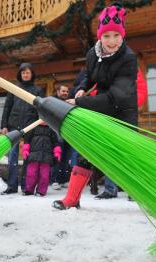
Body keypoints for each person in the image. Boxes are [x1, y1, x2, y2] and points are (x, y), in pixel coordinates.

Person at [52, 3, 138, 209]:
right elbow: (89, 77)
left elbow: (116, 96)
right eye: (106, 36)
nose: (112, 41)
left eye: (116, 36)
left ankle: (149, 196)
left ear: (122, 35)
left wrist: (80, 101)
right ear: (100, 36)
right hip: (99, 103)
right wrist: (82, 88)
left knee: (127, 153)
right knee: (87, 149)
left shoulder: (128, 58)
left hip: (123, 109)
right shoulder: (93, 54)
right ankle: (71, 199)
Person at [0, 63, 44, 195]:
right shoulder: (13, 88)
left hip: (31, 127)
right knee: (12, 157)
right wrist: (4, 125)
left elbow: (41, 110)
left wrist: (39, 126)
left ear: (32, 74)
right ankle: (12, 186)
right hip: (14, 126)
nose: (25, 74)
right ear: (20, 74)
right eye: (23, 72)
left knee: (27, 157)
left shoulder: (38, 90)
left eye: (28, 72)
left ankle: (26, 186)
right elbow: (7, 107)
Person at [22, 120, 60, 196]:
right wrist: (25, 150)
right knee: (31, 174)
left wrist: (57, 152)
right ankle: (29, 190)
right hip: (33, 155)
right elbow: (27, 140)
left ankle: (41, 191)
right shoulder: (33, 128)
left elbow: (55, 142)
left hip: (46, 156)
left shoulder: (51, 129)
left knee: (44, 175)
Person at [50, 84, 75, 190]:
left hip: (69, 135)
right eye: (63, 91)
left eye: (66, 91)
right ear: (58, 92)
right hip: (57, 135)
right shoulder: (53, 103)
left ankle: (63, 180)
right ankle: (54, 180)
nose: (65, 93)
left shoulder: (70, 104)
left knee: (66, 159)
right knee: (57, 158)